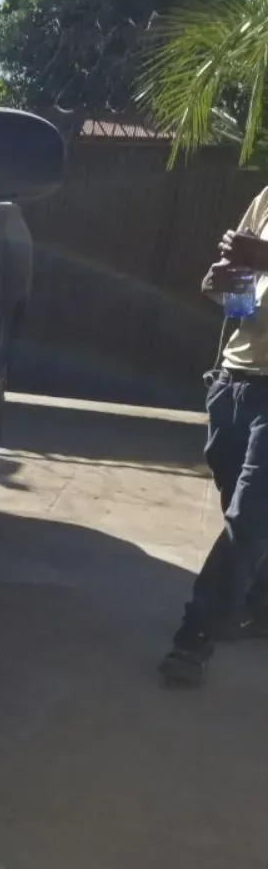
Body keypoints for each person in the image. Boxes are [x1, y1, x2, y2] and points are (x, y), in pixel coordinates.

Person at [160, 191, 268, 687]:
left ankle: (195, 635)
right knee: (243, 506)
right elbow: (245, 297)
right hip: (236, 376)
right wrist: (224, 287)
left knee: (250, 515)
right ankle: (258, 606)